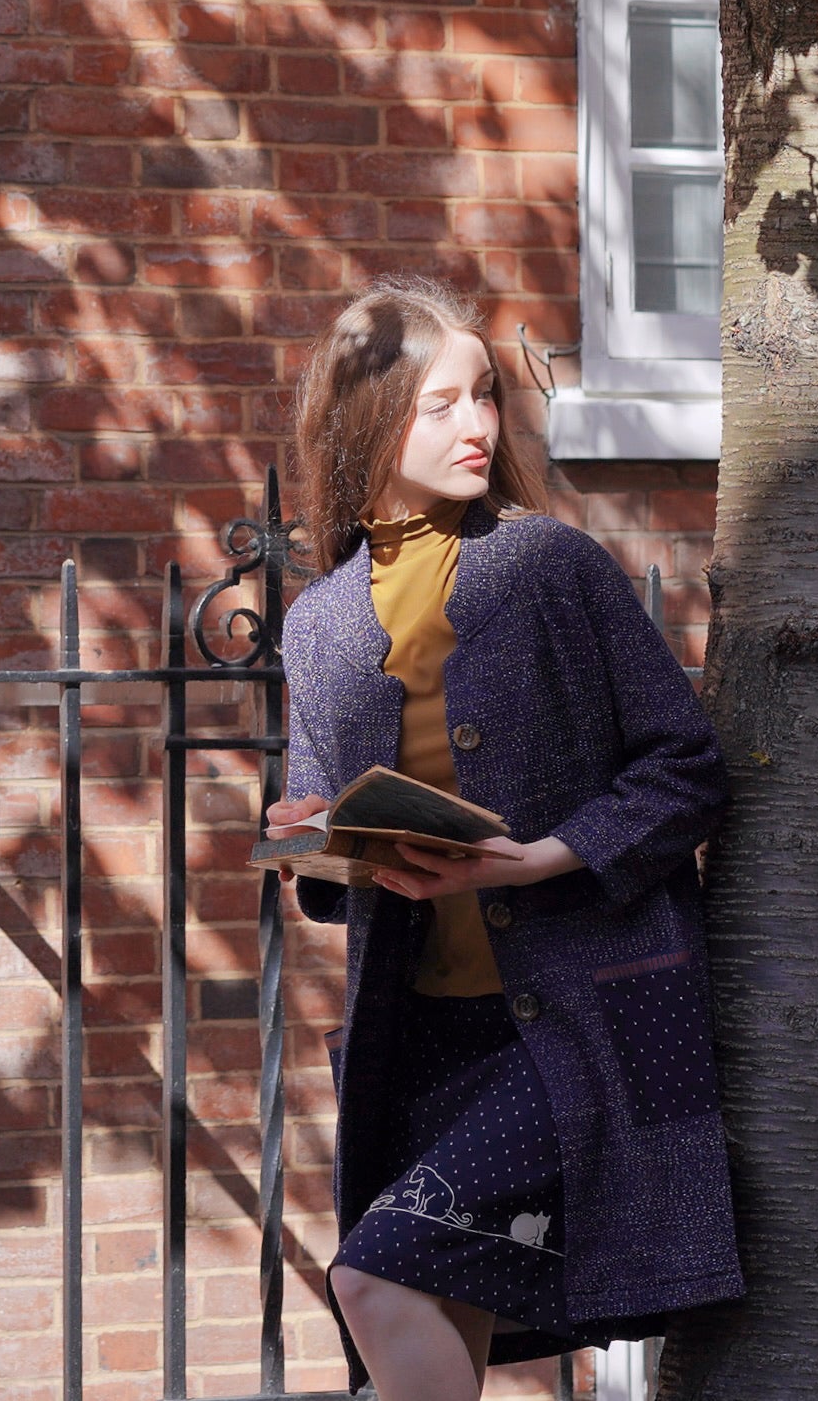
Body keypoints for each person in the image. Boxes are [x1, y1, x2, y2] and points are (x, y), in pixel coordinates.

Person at [267, 275, 743, 1401]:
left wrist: (543, 856)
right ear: (367, 418)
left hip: (579, 1021)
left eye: (483, 396)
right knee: (426, 1311)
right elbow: (334, 883)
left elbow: (686, 767)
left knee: (372, 1284)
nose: (479, 425)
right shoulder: (318, 623)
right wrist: (318, 839)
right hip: (426, 1033)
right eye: (442, 404)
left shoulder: (549, 568)